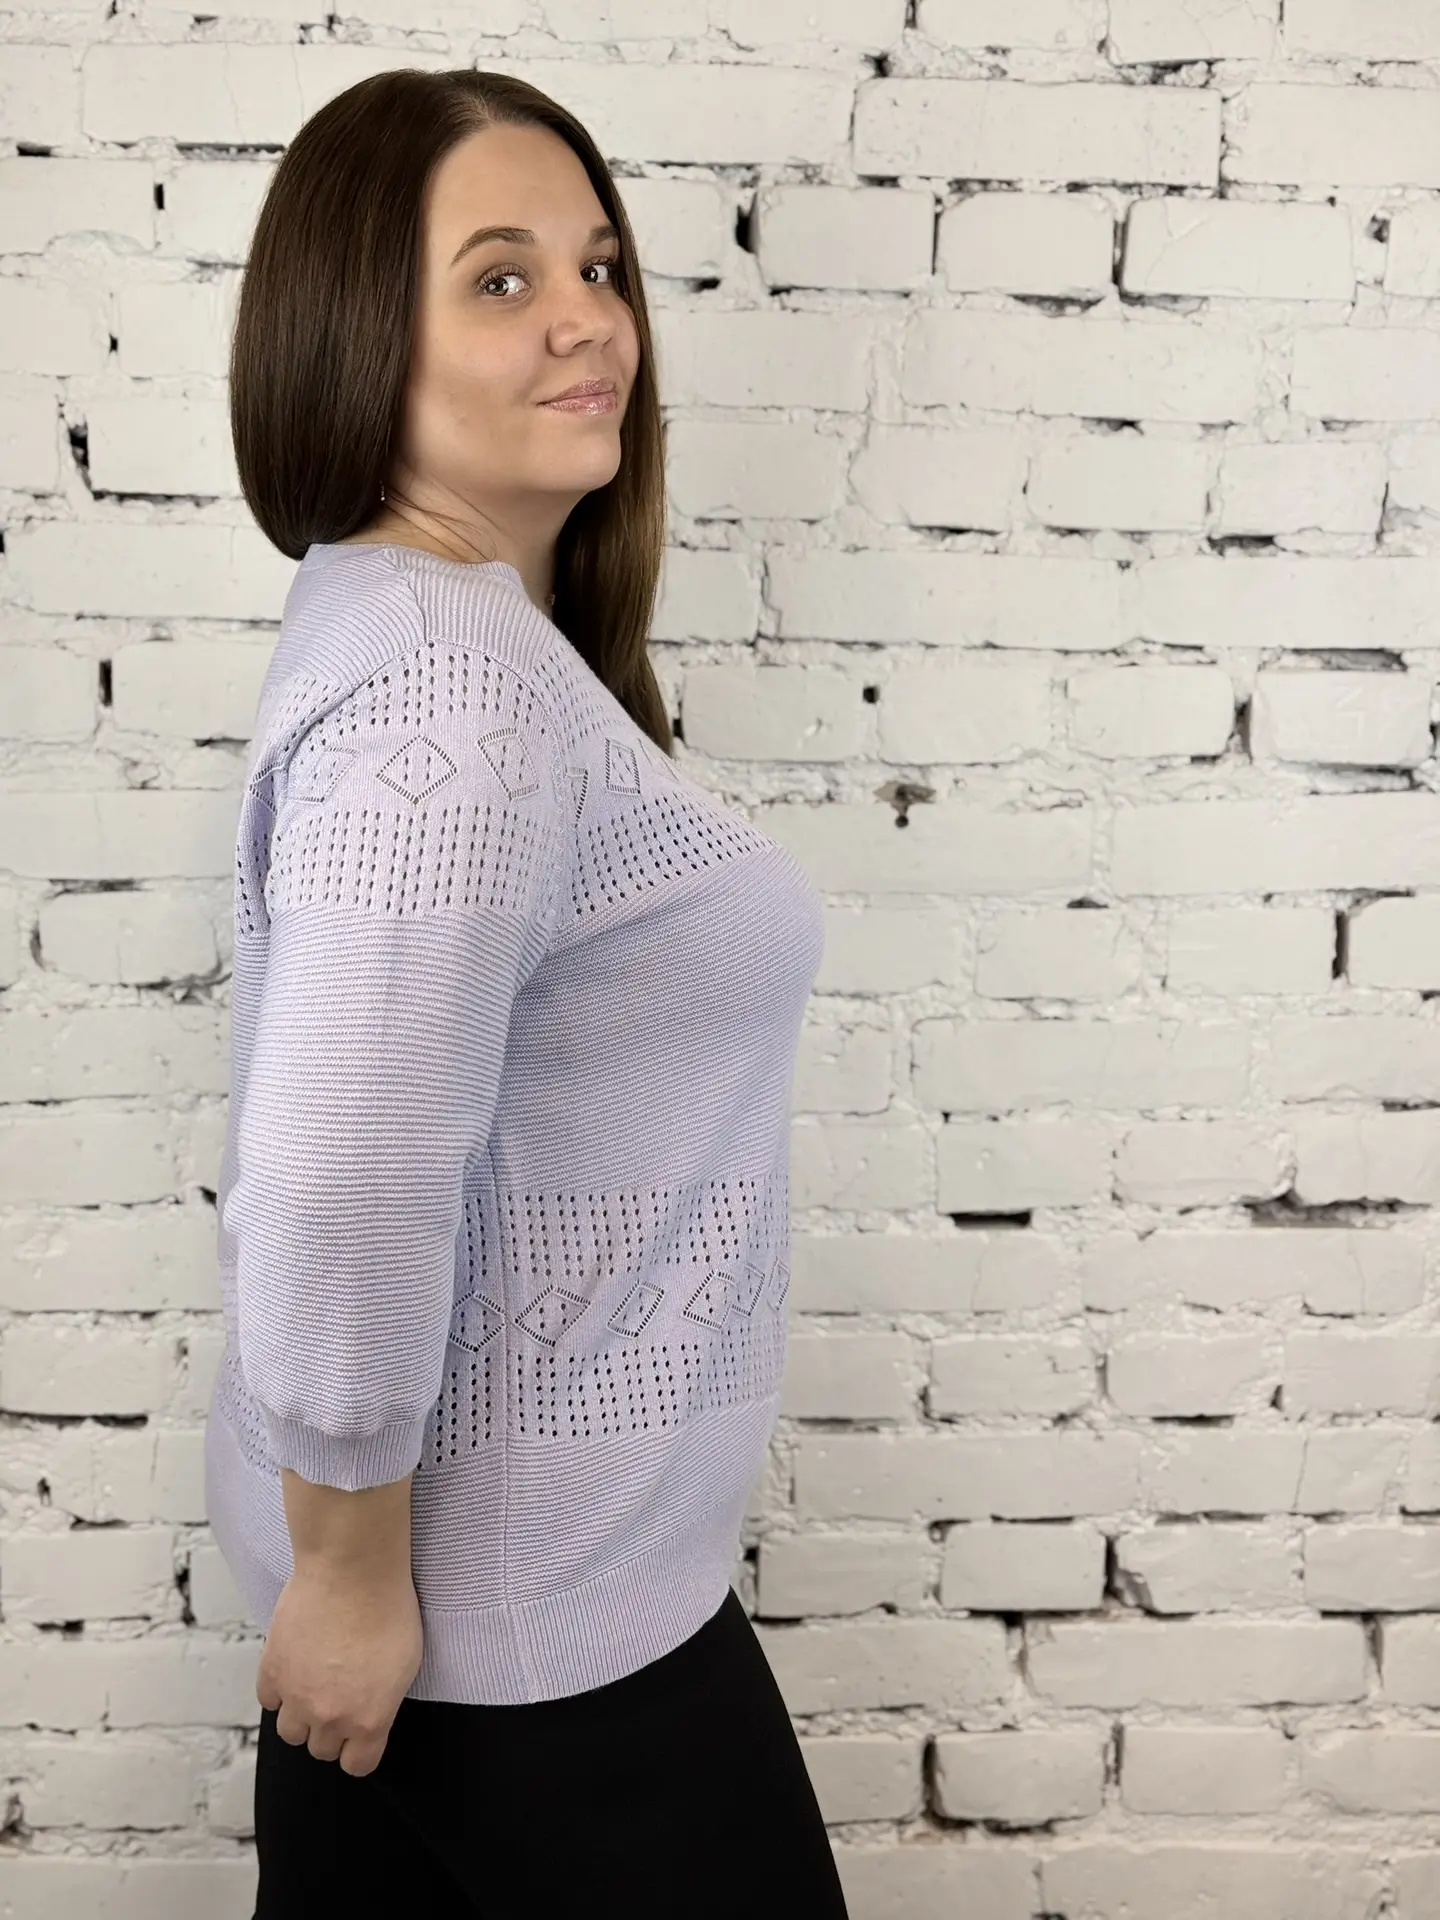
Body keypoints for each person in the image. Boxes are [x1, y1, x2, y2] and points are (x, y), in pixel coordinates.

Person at [205, 65, 848, 1917]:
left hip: (483, 1624)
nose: (588, 318)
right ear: (356, 336)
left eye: (598, 264)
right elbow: (340, 1166)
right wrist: (350, 1578)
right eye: (500, 277)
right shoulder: (454, 692)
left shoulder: (417, 628)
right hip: (528, 1652)